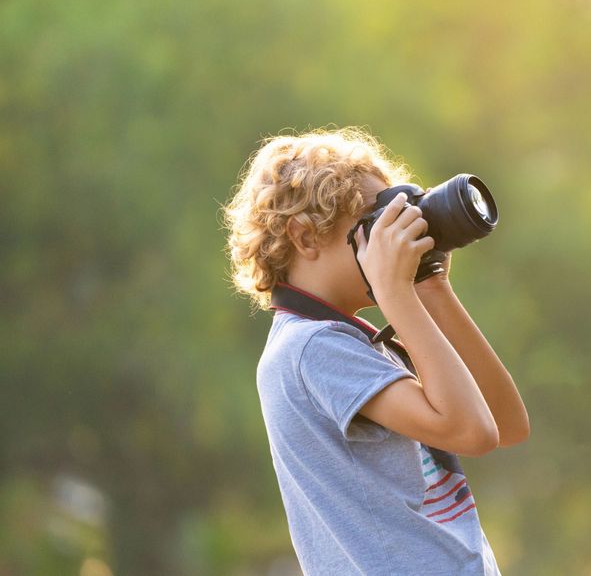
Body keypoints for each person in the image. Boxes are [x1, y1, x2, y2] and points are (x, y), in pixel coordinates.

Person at [224, 128, 529, 575]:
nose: (395, 238)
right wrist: (395, 291)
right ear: (305, 238)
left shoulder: (351, 341)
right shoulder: (310, 348)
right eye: (375, 224)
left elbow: (506, 425)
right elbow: (473, 433)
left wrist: (432, 287)